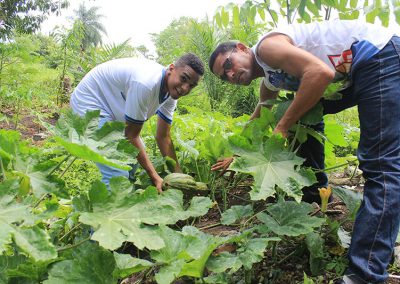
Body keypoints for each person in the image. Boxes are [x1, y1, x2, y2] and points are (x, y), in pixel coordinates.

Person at [208, 19, 399, 284]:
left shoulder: (266, 49)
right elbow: (259, 115)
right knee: (298, 110)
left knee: (382, 166)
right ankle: (315, 195)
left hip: (379, 54)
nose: (229, 75)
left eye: (228, 64)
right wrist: (236, 154)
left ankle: (366, 273)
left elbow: (320, 73)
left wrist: (282, 127)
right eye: (223, 76)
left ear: (242, 48)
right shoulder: (271, 79)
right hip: (355, 71)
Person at [70, 53, 204, 192]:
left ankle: (123, 197)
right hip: (90, 103)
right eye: (183, 79)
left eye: (191, 85)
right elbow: (131, 136)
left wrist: (181, 177)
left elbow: (163, 137)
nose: (185, 88)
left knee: (131, 160)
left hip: (112, 107)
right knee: (117, 173)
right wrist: (155, 177)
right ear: (171, 69)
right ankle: (107, 209)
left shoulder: (171, 94)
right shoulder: (146, 83)